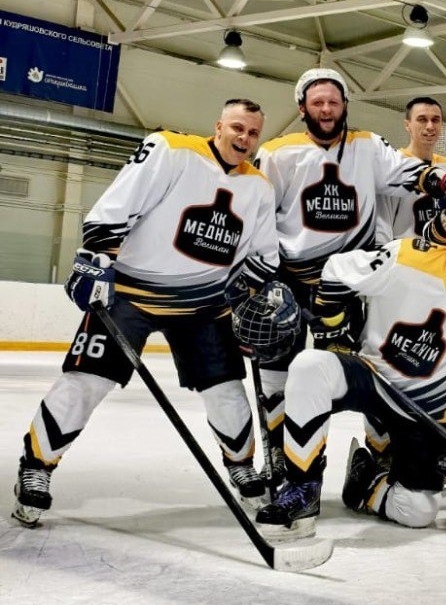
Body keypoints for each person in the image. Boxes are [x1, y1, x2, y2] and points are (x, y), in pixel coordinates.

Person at [12, 100, 280, 527]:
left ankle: (242, 467)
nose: (244, 139)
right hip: (130, 293)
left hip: (203, 302)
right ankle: (36, 468)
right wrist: (96, 259)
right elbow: (117, 206)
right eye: (237, 128)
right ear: (218, 126)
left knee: (227, 390)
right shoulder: (170, 150)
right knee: (86, 380)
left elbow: (264, 256)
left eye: (252, 133)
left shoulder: (259, 187)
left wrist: (247, 295)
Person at [254, 68, 446, 482]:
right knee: (279, 374)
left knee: (371, 370)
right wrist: (256, 276)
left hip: (350, 283)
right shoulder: (277, 153)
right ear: (302, 108)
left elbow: (406, 173)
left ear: (345, 105)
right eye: (317, 103)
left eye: (333, 102)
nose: (326, 109)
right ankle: (285, 458)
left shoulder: (367, 146)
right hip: (291, 280)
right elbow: (257, 212)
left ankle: (382, 454)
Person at [254, 208, 446, 539]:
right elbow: (337, 269)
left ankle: (365, 481)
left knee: (419, 512)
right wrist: (334, 322)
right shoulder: (405, 256)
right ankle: (302, 488)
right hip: (372, 377)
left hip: (424, 410)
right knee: (309, 366)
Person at [376, 96, 446, 243]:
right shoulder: (392, 165)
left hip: (442, 253)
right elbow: (382, 226)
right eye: (422, 119)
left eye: (435, 120)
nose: (430, 126)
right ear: (407, 125)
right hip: (405, 253)